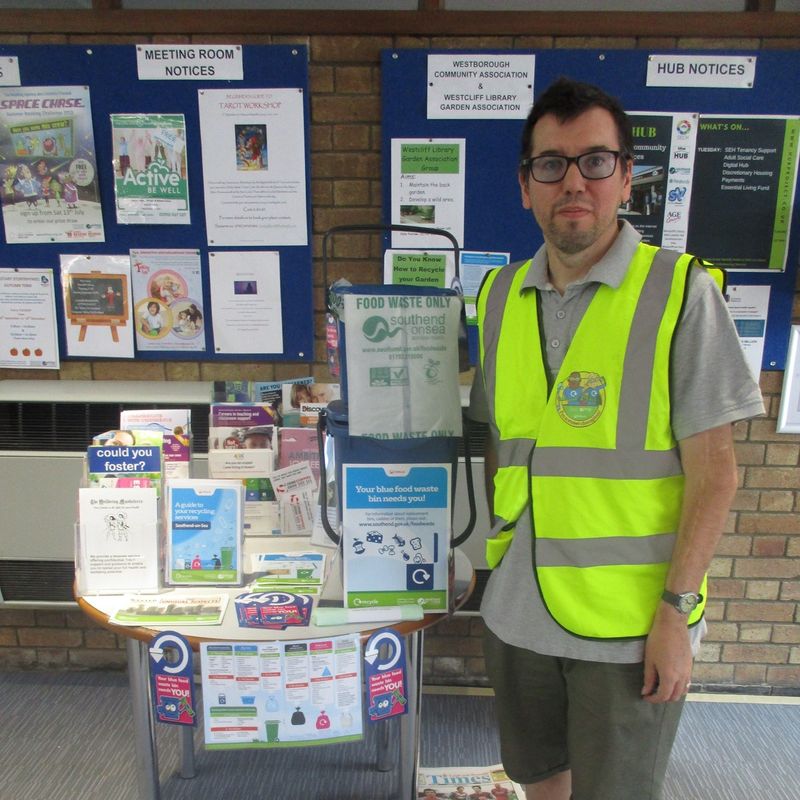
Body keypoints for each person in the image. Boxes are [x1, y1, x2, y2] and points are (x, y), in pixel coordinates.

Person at [468, 77, 764, 800]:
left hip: (628, 625)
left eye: (595, 161)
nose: (574, 182)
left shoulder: (681, 293)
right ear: (525, 186)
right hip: (517, 606)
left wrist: (675, 614)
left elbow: (716, 474)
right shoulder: (498, 296)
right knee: (540, 778)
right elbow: (499, 442)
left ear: (626, 178)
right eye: (551, 164)